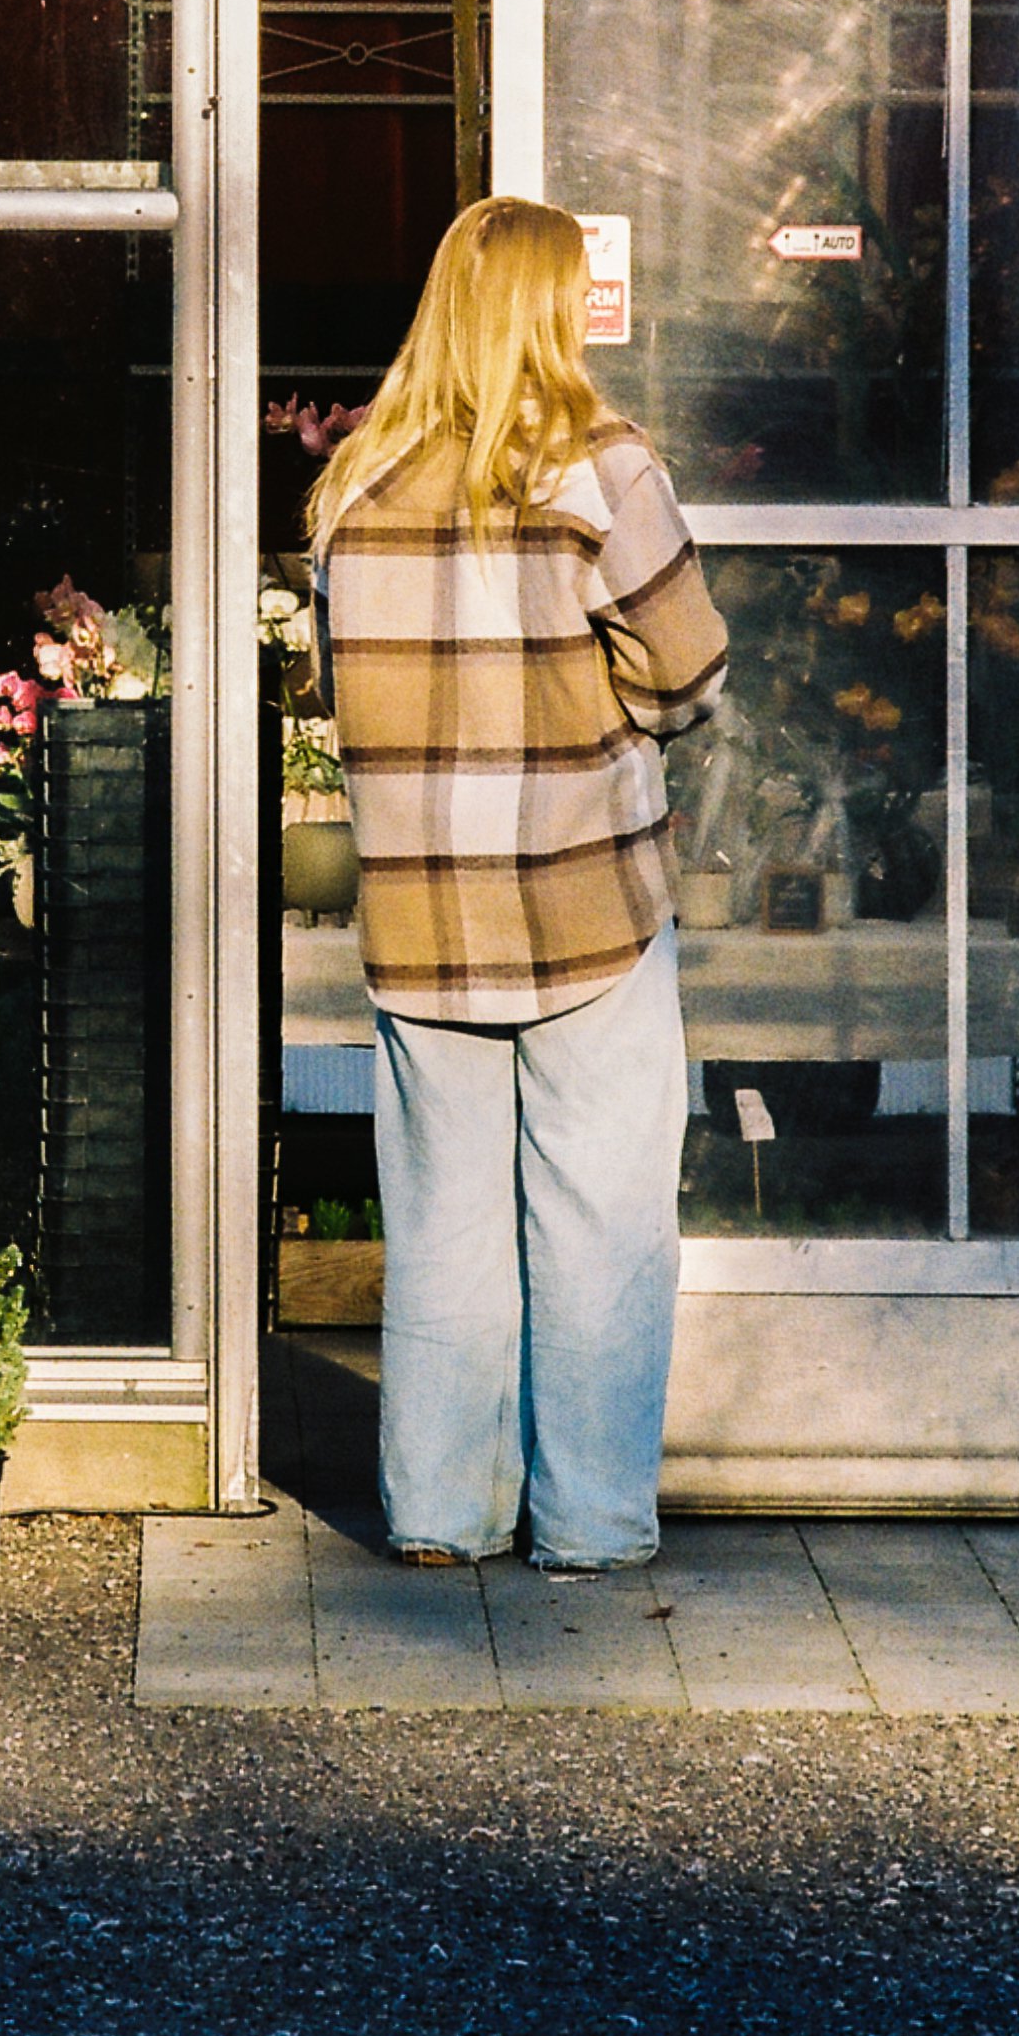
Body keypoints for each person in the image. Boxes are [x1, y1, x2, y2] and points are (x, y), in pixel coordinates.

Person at [309, 198, 726, 1576]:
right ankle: (592, 1522)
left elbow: (336, 691)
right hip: (581, 904)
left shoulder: (354, 484)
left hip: (421, 913)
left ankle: (439, 1512)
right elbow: (686, 671)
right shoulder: (599, 469)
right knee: (600, 1224)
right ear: (551, 311)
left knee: (440, 1227)